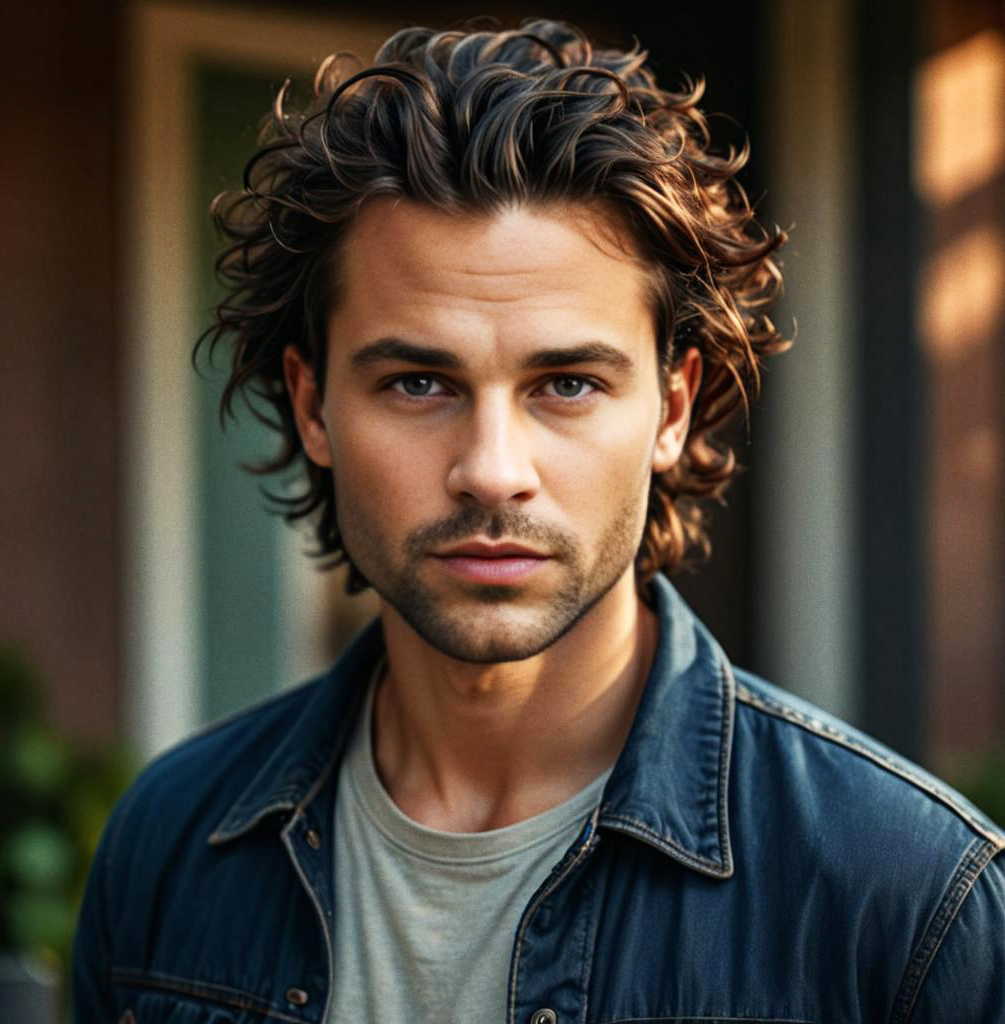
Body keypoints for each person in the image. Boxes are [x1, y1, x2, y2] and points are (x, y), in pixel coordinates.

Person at [73, 19, 1004, 1024]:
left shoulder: (907, 899)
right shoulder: (167, 847)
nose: (491, 471)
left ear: (672, 407)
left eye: (565, 382)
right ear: (311, 406)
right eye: (418, 381)